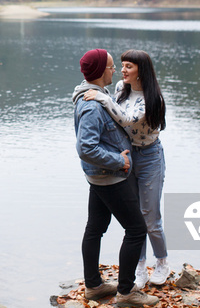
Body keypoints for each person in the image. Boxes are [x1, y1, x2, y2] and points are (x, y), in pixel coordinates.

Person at [72, 49, 159, 307]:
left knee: (95, 227)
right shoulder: (91, 104)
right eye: (111, 66)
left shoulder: (99, 96)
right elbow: (86, 147)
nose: (115, 70)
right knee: (136, 229)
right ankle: (126, 292)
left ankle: (94, 286)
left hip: (99, 177)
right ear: (100, 71)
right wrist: (119, 161)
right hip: (109, 177)